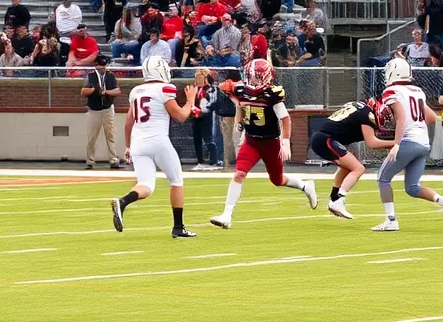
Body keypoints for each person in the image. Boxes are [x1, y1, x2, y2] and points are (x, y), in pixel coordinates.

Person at [209, 58, 318, 229]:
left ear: (267, 77)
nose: (254, 81)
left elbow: (285, 119)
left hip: (271, 142)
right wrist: (239, 125)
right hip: (252, 140)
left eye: (258, 77)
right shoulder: (241, 90)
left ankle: (305, 186)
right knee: (239, 174)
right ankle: (227, 215)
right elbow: (240, 106)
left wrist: (286, 141)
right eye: (253, 77)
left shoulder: (272, 95)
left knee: (277, 180)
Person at [112, 56, 197, 238]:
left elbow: (128, 123)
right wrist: (190, 101)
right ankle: (178, 227)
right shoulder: (165, 88)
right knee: (176, 181)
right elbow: (181, 116)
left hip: (138, 143)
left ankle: (123, 201)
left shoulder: (136, 91)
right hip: (158, 140)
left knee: (146, 185)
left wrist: (127, 147)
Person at [371, 57, 443, 231]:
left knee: (383, 178)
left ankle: (391, 220)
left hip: (408, 141)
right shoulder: (417, 90)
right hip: (423, 142)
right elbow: (432, 117)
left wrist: (396, 142)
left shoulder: (391, 91)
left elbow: (402, 117)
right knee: (412, 188)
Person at [311, 98, 396, 220]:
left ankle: (335, 198)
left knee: (347, 168)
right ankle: (338, 200)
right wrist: (396, 143)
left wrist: (390, 143)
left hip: (322, 138)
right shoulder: (366, 115)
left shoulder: (360, 107)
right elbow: (372, 142)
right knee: (358, 168)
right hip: (326, 140)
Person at [81, 55, 122, 169]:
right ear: (96, 65)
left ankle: (113, 159)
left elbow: (117, 91)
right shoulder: (90, 76)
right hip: (94, 110)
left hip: (108, 108)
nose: (102, 68)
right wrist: (95, 89)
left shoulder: (110, 76)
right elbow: (83, 91)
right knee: (92, 137)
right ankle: (90, 160)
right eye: (100, 65)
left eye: (103, 66)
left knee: (110, 134)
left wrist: (106, 92)